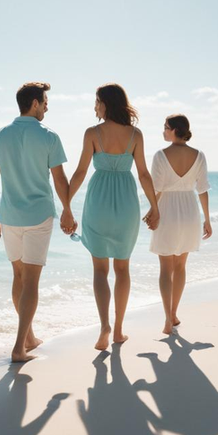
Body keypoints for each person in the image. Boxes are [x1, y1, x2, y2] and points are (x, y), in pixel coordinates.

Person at [0, 82, 76, 363]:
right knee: (32, 282)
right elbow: (60, 179)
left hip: (9, 216)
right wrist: (68, 210)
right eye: (45, 101)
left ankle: (29, 337)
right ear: (34, 103)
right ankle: (19, 347)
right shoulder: (49, 136)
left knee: (19, 277)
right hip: (38, 215)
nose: (47, 106)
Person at [68, 83, 160, 351]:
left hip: (98, 203)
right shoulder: (135, 135)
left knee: (100, 269)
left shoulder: (93, 133)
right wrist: (155, 206)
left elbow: (80, 172)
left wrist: (65, 205)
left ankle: (104, 326)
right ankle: (119, 330)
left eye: (97, 101)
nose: (95, 107)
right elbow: (143, 174)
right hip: (126, 205)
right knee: (122, 269)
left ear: (106, 103)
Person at [149, 114, 212, 334]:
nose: (163, 131)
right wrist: (207, 218)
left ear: (175, 130)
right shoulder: (199, 155)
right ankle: (174, 314)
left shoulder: (160, 155)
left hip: (167, 210)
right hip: (189, 210)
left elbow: (156, 189)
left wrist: (152, 211)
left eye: (165, 127)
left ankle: (167, 319)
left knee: (166, 269)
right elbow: (202, 189)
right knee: (180, 266)